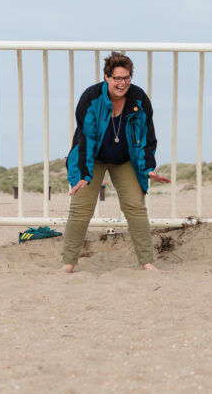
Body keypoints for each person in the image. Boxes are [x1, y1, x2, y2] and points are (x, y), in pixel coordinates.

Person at [63, 52, 171, 273]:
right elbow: (86, 139)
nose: (122, 83)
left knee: (135, 207)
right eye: (117, 78)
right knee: (81, 209)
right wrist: (83, 174)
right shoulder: (91, 98)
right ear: (107, 77)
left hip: (125, 160)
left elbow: (147, 137)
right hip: (93, 159)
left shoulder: (139, 99)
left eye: (127, 78)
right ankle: (68, 263)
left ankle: (147, 262)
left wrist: (148, 168)